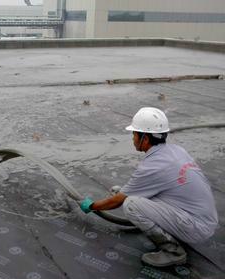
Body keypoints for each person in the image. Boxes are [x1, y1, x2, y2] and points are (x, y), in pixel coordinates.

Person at [80, 107, 218, 267]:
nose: (132, 138)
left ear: (144, 138)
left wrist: (91, 206)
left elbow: (116, 202)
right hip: (202, 217)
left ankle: (173, 251)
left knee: (131, 205)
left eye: (134, 134)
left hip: (196, 227)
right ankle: (167, 228)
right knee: (125, 193)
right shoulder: (175, 151)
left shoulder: (154, 166)